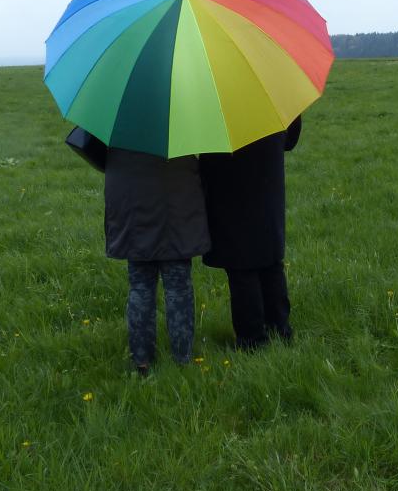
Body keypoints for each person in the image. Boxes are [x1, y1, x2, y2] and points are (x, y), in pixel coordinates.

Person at [101, 142, 212, 375]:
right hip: (177, 202)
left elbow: (95, 152)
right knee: (178, 287)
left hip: (133, 202)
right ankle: (182, 359)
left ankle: (141, 360)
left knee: (140, 286)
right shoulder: (184, 109)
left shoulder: (120, 112)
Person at [199, 117, 302, 350]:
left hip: (229, 191)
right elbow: (290, 140)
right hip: (266, 185)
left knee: (241, 267)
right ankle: (279, 327)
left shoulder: (211, 98)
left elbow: (202, 151)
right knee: (269, 260)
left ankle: (252, 338)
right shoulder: (271, 90)